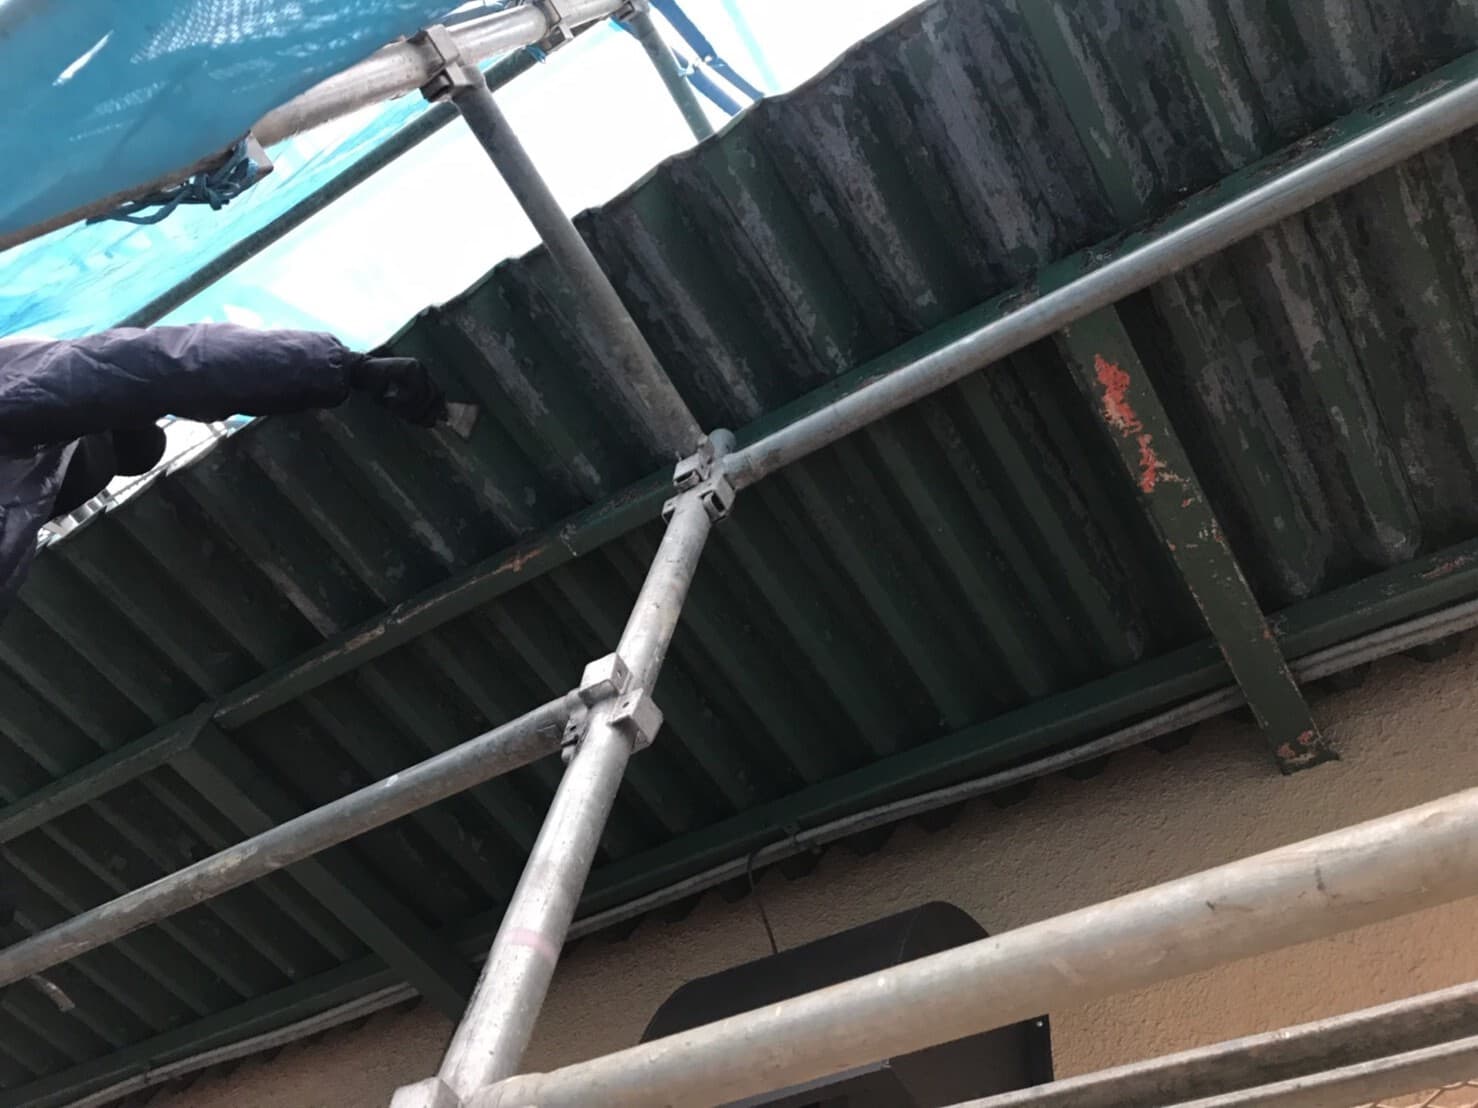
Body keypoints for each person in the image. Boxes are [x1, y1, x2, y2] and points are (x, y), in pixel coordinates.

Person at [0, 322, 445, 617]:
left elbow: (151, 369)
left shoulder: (24, 465)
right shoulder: (22, 401)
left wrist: (344, 368)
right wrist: (347, 368)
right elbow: (152, 367)